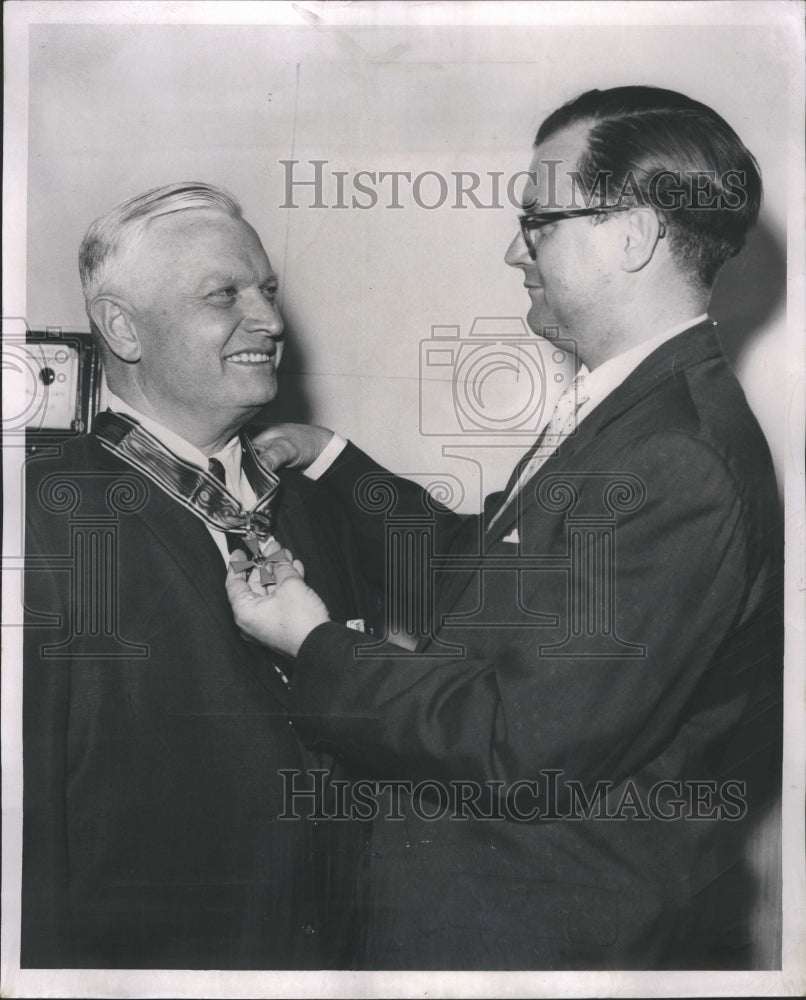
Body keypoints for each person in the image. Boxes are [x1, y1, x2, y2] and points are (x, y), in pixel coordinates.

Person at [227, 88, 784, 970]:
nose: (511, 249)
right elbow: (490, 575)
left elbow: (520, 741)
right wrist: (337, 463)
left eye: (538, 221)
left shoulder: (678, 462)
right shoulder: (633, 412)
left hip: (535, 943)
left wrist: (316, 644)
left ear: (631, 235)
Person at [22, 183, 369, 969]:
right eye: (225, 294)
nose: (272, 321)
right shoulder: (46, 521)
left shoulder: (313, 509)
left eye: (269, 291)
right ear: (122, 327)